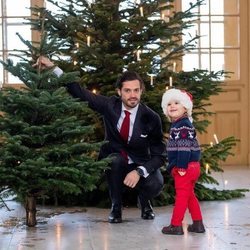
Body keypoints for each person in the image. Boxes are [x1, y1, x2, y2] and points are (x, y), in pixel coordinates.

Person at [34, 56, 166, 223]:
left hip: (141, 161)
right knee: (115, 161)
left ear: (141, 91)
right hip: (116, 158)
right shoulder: (109, 105)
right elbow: (79, 92)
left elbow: (159, 155)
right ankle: (116, 207)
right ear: (119, 92)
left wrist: (140, 171)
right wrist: (54, 68)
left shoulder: (151, 117)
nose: (133, 95)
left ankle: (145, 201)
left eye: (136, 90)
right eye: (127, 90)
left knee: (155, 184)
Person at [160, 88, 205, 235]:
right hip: (192, 167)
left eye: (176, 103)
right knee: (189, 194)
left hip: (185, 166)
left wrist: (181, 166)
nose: (172, 106)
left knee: (181, 197)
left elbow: (184, 148)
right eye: (169, 104)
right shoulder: (179, 124)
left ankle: (176, 225)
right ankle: (198, 223)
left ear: (185, 107)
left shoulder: (182, 125)